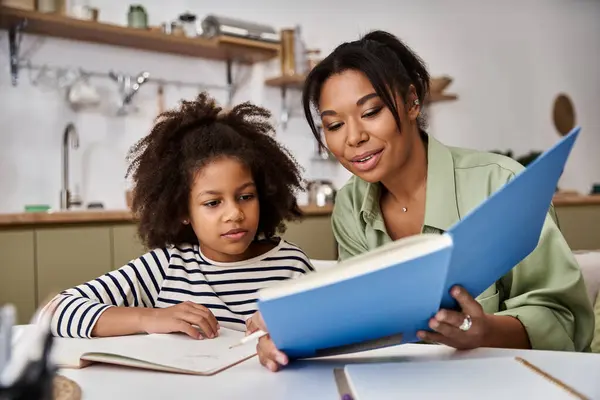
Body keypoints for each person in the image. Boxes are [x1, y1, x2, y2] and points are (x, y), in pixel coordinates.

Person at [253, 30, 594, 372]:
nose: (353, 137)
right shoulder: (350, 207)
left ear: (413, 102)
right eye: (335, 124)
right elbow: (365, 321)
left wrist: (485, 332)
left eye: (371, 112)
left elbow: (565, 320)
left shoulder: (500, 182)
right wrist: (292, 340)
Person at [43, 92, 314, 340]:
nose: (234, 213)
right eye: (212, 202)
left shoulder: (291, 265)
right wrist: (150, 317)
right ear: (183, 211)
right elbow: (55, 312)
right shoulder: (166, 266)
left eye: (245, 197)